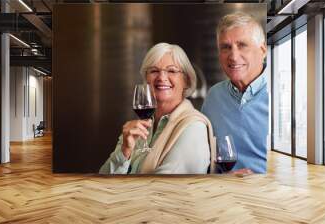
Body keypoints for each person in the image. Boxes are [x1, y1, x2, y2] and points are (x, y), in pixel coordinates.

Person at [99, 42, 216, 174]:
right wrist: (124, 151)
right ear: (146, 79)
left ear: (187, 81)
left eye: (171, 70)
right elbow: (103, 181)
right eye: (154, 71)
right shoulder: (138, 128)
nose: (161, 77)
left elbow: (163, 188)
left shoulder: (193, 127)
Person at [201, 13, 269, 173]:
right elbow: (203, 156)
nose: (233, 56)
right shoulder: (214, 96)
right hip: (222, 192)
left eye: (242, 45)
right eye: (225, 47)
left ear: (263, 50)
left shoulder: (280, 97)